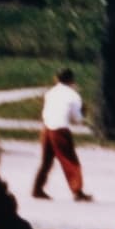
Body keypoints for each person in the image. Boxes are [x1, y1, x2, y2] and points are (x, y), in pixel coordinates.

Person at [31, 68, 91, 201]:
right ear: (72, 80)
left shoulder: (50, 93)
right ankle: (77, 191)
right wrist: (83, 112)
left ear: (56, 78)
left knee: (46, 161)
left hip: (47, 128)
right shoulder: (73, 95)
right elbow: (77, 119)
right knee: (70, 161)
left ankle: (37, 189)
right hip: (60, 129)